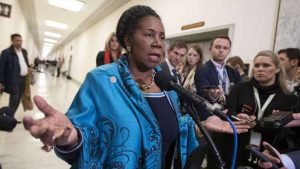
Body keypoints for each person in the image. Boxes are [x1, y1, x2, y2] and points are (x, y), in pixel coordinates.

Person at [23, 5, 248, 169]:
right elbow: (84, 135)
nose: (158, 42)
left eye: (161, 36)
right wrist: (70, 136)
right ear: (128, 40)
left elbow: (173, 129)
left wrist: (202, 125)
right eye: (149, 35)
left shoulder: (166, 84)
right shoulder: (101, 80)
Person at [217, 50, 298, 168]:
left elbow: (283, 128)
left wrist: (256, 124)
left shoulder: (289, 98)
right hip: (236, 146)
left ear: (277, 69)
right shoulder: (240, 88)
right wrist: (237, 116)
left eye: (266, 65)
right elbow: (230, 112)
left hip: (267, 150)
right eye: (257, 65)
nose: (260, 69)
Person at [194, 35, 241, 120]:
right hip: (210, 117)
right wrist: (224, 98)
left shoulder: (234, 72)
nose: (221, 50)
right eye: (217, 47)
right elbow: (204, 97)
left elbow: (239, 96)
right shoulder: (202, 70)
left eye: (225, 48)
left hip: (230, 117)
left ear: (229, 51)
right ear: (210, 49)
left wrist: (222, 98)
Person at [0, 33, 30, 116]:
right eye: (17, 41)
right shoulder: (6, 52)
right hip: (13, 80)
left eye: (20, 40)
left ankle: (11, 116)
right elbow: (1, 68)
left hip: (23, 79)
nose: (19, 42)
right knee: (14, 100)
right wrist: (1, 82)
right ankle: (9, 118)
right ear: (12, 41)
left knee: (18, 99)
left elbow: (25, 63)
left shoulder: (24, 51)